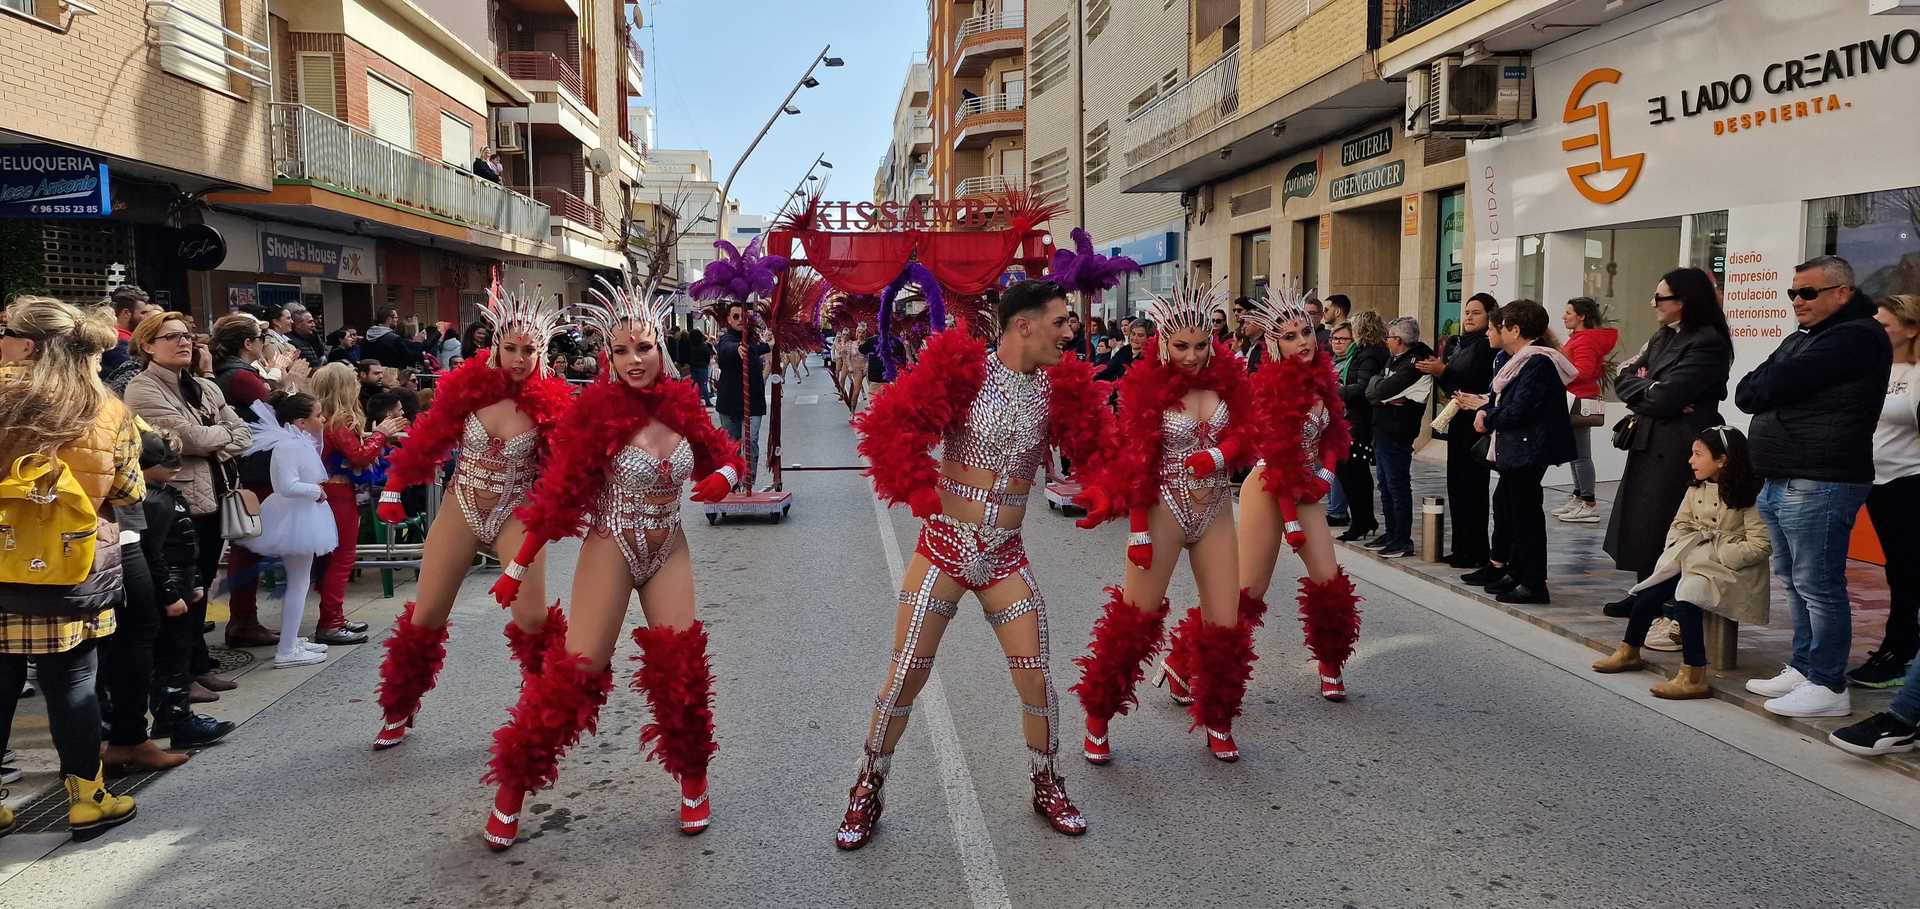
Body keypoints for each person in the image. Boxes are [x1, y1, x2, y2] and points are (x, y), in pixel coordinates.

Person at [835, 279, 1114, 850]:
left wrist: (1107, 489)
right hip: (943, 547)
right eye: (1060, 322)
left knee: (1036, 676)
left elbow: (1100, 449)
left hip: (1005, 557)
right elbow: (892, 428)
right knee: (905, 675)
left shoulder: (1059, 390)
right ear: (1024, 326)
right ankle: (868, 786)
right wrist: (914, 487)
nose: (1071, 331)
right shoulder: (965, 373)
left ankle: (1046, 781)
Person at [485, 279, 741, 847]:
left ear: (661, 349)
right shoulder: (592, 415)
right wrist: (518, 566)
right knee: (578, 671)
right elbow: (558, 496)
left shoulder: (684, 407)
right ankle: (511, 790)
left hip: (668, 544)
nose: (633, 361)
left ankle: (693, 781)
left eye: (643, 348)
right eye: (621, 350)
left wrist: (725, 475)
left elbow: (721, 454)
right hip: (610, 545)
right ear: (608, 355)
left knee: (681, 665)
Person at [369, 279, 575, 753]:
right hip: (462, 505)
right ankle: (400, 703)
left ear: (541, 351)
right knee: (427, 613)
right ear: (495, 346)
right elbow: (429, 436)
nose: (519, 358)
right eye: (511, 347)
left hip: (516, 512)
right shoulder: (467, 389)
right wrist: (395, 487)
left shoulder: (552, 404)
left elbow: (569, 471)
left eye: (529, 349)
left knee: (531, 617)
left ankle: (540, 708)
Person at [1069, 280, 1258, 763]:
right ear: (1161, 343)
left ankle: (1217, 716)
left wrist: (1220, 453)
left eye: (1201, 345)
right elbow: (1138, 462)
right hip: (1161, 510)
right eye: (1181, 347)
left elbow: (1247, 434)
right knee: (1136, 618)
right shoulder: (1146, 390)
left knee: (1225, 622)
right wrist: (1136, 530)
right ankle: (1098, 716)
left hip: (1214, 508)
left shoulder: (1227, 382)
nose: (1193, 356)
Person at [0, 296, 143, 841]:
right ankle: (87, 797)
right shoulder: (106, 408)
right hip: (70, 563)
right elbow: (130, 489)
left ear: (29, 344)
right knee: (74, 682)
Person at [1738, 256, 1893, 718]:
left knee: (1818, 583)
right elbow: (1746, 390)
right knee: (1794, 580)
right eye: (1793, 293)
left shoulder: (1855, 337)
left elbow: (1769, 384)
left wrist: (1776, 379)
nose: (1797, 302)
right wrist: (1775, 378)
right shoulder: (1807, 337)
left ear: (1841, 293)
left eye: (1808, 293)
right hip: (1784, 475)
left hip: (1822, 478)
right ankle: (1806, 666)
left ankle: (1828, 684)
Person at [123, 313, 267, 664]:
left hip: (217, 496)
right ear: (147, 345)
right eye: (171, 337)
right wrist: (218, 436)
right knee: (181, 585)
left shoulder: (207, 386)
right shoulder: (142, 388)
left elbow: (244, 433)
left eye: (186, 335)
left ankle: (197, 659)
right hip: (177, 499)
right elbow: (187, 439)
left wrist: (214, 438)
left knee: (201, 580)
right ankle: (180, 670)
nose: (184, 342)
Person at [1593, 426, 1769, 698]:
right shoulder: (1696, 486)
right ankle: (1629, 650)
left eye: (1698, 454)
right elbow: (1679, 523)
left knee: (1688, 598)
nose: (1691, 460)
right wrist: (1684, 547)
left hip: (1730, 569)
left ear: (1722, 459)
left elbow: (1760, 544)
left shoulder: (1750, 494)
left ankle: (1694, 673)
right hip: (1695, 560)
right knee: (1648, 593)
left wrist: (1719, 552)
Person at [1602, 269, 1734, 615]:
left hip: (1681, 445)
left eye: (1661, 298)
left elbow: (1668, 397)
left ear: (1685, 301)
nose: (1653, 304)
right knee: (1644, 521)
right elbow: (1625, 374)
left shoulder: (1707, 341)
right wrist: (1646, 387)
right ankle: (1645, 591)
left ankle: (1669, 600)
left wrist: (1648, 388)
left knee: (1669, 522)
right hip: (1651, 439)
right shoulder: (1663, 337)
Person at [132, 430, 237, 753]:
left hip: (180, 585)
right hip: (169, 591)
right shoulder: (151, 502)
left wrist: (193, 583)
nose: (176, 467)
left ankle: (173, 715)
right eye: (167, 460)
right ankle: (176, 717)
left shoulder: (163, 495)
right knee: (169, 657)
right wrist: (170, 593)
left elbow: (183, 548)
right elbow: (154, 554)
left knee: (175, 654)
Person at [1849, 295, 1920, 689]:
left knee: (1908, 571)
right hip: (1874, 481)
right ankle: (1900, 645)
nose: (1876, 332)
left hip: (1909, 483)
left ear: (1911, 329)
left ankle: (1900, 651)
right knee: (1898, 569)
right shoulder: (1875, 367)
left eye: (1885, 326)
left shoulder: (1917, 373)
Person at [308, 363, 403, 645]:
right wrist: (381, 434)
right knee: (342, 557)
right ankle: (331, 622)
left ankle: (334, 616)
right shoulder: (338, 421)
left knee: (332, 559)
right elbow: (360, 456)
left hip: (327, 491)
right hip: (337, 493)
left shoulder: (320, 418)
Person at [241, 392, 337, 669]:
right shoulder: (289, 446)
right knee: (298, 583)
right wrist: (315, 491)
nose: (323, 419)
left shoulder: (297, 442)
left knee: (300, 582)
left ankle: (291, 640)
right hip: (296, 514)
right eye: (317, 415)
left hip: (299, 513)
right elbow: (286, 485)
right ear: (300, 422)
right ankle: (287, 649)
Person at [1423, 294, 1497, 566]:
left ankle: (1475, 550)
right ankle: (1461, 546)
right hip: (1457, 421)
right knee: (1457, 486)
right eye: (1466, 312)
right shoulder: (1458, 345)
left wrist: (1443, 370)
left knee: (1472, 488)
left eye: (1475, 313)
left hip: (1475, 423)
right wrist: (1440, 372)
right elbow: (1453, 388)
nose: (1468, 317)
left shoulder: (1486, 346)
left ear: (1490, 315)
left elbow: (1476, 383)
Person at [1363, 316, 1433, 558]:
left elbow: (1382, 390)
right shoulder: (1394, 359)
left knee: (1397, 486)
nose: (1386, 342)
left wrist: (1379, 391)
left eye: (1389, 338)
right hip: (1382, 428)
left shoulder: (1416, 362)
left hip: (1398, 431)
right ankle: (1391, 532)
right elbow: (1373, 389)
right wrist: (1379, 391)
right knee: (1384, 485)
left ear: (1400, 341)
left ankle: (1402, 539)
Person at [1556, 296, 1618, 524]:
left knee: (1581, 454)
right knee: (1575, 452)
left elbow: (1583, 371)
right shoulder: (1581, 338)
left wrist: (1559, 372)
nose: (1564, 316)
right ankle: (1579, 495)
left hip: (1578, 400)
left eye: (1569, 312)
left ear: (1581, 316)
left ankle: (1588, 502)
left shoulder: (1584, 340)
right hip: (1575, 398)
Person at [1334, 313, 1389, 543]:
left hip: (1360, 421)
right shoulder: (1362, 353)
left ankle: (1361, 521)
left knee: (1353, 471)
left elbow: (1364, 387)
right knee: (1352, 472)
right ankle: (1363, 520)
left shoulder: (1369, 355)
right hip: (1354, 418)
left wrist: (1336, 390)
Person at [714, 301, 770, 492]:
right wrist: (738, 348)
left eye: (743, 317)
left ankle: (749, 480)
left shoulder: (755, 340)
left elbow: (761, 347)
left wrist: (768, 344)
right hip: (729, 404)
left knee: (751, 440)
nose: (740, 320)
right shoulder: (726, 340)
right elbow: (725, 350)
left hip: (753, 402)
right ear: (729, 319)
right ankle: (733, 481)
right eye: (736, 316)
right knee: (732, 445)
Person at [101, 285, 161, 392]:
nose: (146, 318)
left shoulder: (109, 338)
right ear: (126, 313)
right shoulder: (121, 347)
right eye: (143, 313)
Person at [1099, 317, 1150, 382]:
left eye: (1140, 335)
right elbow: (1107, 370)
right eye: (1133, 334)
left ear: (1148, 337)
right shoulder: (1124, 351)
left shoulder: (1149, 357)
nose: (1135, 338)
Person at [286, 304, 326, 369]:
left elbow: (322, 354)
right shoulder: (290, 342)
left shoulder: (313, 337)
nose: (313, 325)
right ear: (298, 324)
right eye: (310, 322)